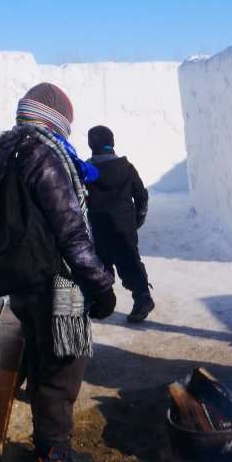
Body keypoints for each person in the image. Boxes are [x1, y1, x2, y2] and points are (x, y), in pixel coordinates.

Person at [0, 82, 116, 462]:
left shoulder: (4, 154)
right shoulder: (45, 157)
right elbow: (72, 235)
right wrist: (101, 285)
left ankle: (48, 435)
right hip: (59, 282)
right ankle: (54, 453)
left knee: (41, 353)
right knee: (64, 366)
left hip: (21, 279)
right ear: (56, 121)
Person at [84, 125, 154, 323]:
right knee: (130, 263)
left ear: (91, 144)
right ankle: (143, 297)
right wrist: (138, 217)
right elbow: (141, 195)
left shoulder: (87, 171)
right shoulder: (127, 167)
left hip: (99, 228)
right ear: (112, 142)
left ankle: (101, 302)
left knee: (100, 267)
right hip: (124, 227)